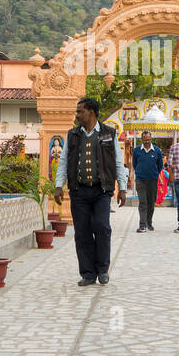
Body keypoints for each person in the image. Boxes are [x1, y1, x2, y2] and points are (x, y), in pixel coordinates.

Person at [53, 97, 128, 286]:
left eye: (80, 111)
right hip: (79, 191)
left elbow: (118, 161)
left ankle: (102, 270)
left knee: (102, 227)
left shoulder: (108, 133)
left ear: (91, 113)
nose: (77, 115)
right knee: (82, 232)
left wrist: (123, 188)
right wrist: (59, 185)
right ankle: (88, 273)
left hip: (102, 191)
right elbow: (64, 161)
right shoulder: (73, 135)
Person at [131, 130, 163, 233]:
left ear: (151, 139)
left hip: (153, 180)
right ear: (142, 139)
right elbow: (134, 164)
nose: (147, 142)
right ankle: (142, 225)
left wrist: (154, 174)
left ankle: (149, 222)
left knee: (151, 202)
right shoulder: (136, 150)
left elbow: (160, 166)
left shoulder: (157, 150)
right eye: (145, 140)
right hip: (141, 180)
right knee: (143, 202)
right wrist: (140, 172)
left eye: (149, 140)